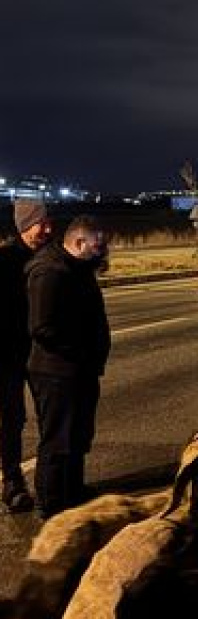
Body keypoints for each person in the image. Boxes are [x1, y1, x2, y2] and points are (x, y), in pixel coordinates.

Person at [27, 215, 112, 518]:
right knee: (58, 440)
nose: (103, 251)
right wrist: (82, 353)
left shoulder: (79, 268)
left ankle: (73, 491)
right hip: (56, 373)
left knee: (78, 436)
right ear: (79, 243)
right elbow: (43, 328)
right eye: (98, 246)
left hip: (80, 370)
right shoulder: (49, 272)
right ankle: (49, 504)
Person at [0, 199, 55, 512]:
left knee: (51, 417)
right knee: (13, 418)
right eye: (40, 223)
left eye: (48, 223)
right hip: (8, 355)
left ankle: (50, 483)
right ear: (24, 226)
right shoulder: (5, 261)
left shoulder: (51, 257)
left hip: (44, 355)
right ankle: (12, 481)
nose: (46, 229)